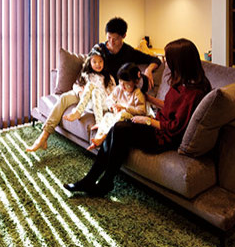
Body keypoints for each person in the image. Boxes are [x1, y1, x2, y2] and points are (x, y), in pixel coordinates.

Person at [63, 38, 211, 196]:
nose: (166, 64)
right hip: (158, 125)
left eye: (169, 60)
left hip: (164, 137)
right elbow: (170, 106)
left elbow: (175, 127)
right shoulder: (183, 82)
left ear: (180, 62)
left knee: (120, 129)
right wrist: (149, 99)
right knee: (116, 129)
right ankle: (96, 181)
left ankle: (99, 182)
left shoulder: (194, 92)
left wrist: (147, 120)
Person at [26, 17, 161, 152]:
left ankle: (94, 121)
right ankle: (44, 136)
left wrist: (149, 69)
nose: (111, 42)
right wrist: (79, 91)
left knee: (94, 93)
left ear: (124, 36)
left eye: (115, 39)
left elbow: (155, 59)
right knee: (64, 98)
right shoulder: (99, 49)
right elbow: (84, 73)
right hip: (86, 89)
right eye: (108, 38)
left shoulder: (129, 52)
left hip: (104, 92)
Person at [87, 62, 147, 150]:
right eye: (120, 81)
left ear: (135, 82)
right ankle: (97, 139)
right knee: (107, 116)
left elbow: (142, 111)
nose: (122, 85)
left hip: (131, 119)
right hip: (118, 116)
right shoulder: (119, 88)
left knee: (122, 114)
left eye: (126, 84)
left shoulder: (137, 94)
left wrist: (125, 108)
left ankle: (103, 137)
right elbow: (109, 99)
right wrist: (112, 106)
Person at [62, 48, 115, 124]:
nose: (98, 64)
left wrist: (112, 103)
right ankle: (80, 112)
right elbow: (76, 85)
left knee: (94, 89)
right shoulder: (86, 75)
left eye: (100, 61)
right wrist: (80, 91)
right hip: (90, 103)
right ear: (90, 62)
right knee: (93, 89)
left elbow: (114, 93)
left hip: (105, 102)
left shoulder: (108, 78)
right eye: (94, 62)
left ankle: (80, 112)